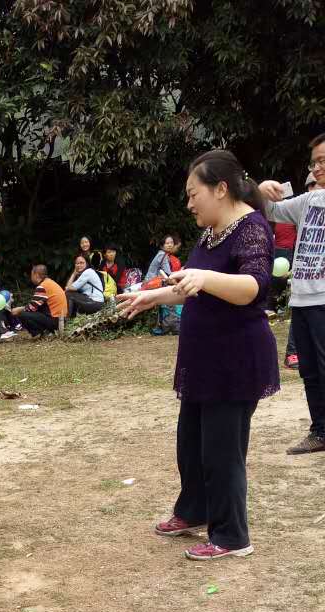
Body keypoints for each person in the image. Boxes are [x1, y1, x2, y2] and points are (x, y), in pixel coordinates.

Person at [119, 149, 278, 561]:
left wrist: (207, 276)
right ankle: (195, 510)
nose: (189, 204)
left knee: (222, 451)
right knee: (191, 442)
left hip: (236, 360)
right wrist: (150, 297)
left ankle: (231, 536)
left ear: (220, 189)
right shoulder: (211, 233)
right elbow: (190, 286)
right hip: (204, 359)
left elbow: (253, 287)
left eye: (194, 194)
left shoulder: (251, 228)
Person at [260, 135, 325, 453]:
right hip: (301, 296)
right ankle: (320, 432)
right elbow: (271, 209)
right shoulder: (309, 201)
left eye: (322, 160)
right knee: (309, 370)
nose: (317, 167)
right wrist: (262, 189)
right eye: (315, 162)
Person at [281, 171, 320, 371]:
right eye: (311, 185)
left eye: (317, 184)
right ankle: (292, 353)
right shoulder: (303, 206)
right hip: (305, 277)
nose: (315, 189)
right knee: (300, 312)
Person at [11, 264, 68, 337]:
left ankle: (39, 333)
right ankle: (46, 331)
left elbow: (31, 308)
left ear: (36, 275)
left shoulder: (42, 286)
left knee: (23, 314)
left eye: (32, 274)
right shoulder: (50, 282)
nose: (31, 277)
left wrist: (19, 309)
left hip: (55, 321)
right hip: (61, 319)